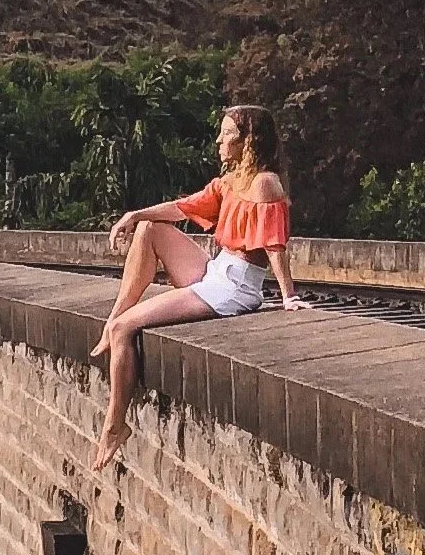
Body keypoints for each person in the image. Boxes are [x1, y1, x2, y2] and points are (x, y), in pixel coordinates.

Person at [87, 104, 309, 469]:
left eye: (227, 134)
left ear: (248, 141)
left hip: (234, 288)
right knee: (150, 229)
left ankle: (115, 424)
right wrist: (135, 214)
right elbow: (181, 208)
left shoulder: (264, 183)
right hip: (218, 272)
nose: (219, 140)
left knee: (124, 329)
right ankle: (113, 318)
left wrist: (289, 296)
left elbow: (274, 244)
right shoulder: (231, 180)